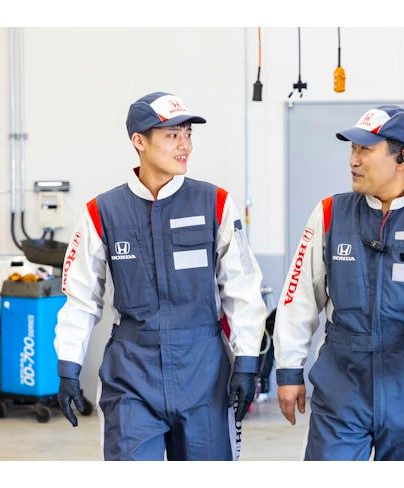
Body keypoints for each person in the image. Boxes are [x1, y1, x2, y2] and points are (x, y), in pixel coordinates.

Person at [54, 92, 266, 460]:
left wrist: (247, 362)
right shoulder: (101, 212)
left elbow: (242, 288)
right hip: (132, 374)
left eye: (188, 134)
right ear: (139, 141)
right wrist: (68, 366)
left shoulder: (215, 203)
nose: (185, 145)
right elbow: (81, 296)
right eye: (172, 135)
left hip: (203, 373)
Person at [274, 105, 404, 460]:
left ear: (403, 158)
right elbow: (299, 295)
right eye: (352, 149)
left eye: (365, 150)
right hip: (342, 387)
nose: (353, 160)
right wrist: (289, 369)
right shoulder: (329, 214)